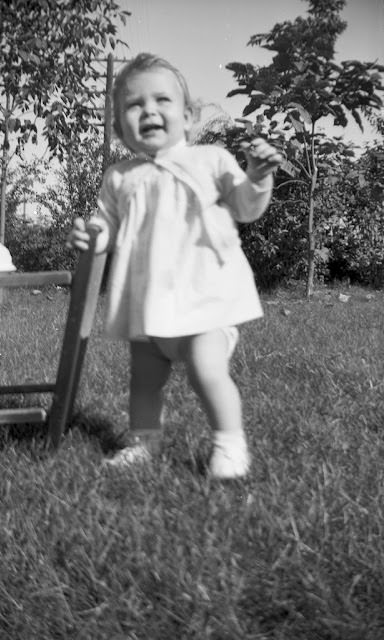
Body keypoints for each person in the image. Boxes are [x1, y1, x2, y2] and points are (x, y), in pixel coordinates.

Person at [67, 53, 282, 479]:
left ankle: (229, 443)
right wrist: (93, 235)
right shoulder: (120, 177)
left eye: (161, 100)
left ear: (188, 116)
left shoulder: (210, 159)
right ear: (118, 128)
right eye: (134, 105)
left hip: (205, 303)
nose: (148, 110)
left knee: (206, 370)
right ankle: (144, 442)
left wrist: (257, 178)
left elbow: (244, 207)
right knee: (144, 381)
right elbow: (106, 223)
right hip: (147, 307)